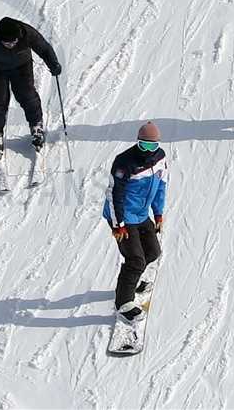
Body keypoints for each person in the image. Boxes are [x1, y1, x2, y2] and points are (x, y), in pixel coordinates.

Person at [103, 121, 166, 324]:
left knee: (153, 252)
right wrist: (118, 223)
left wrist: (158, 213)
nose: (148, 151)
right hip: (123, 216)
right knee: (135, 259)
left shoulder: (160, 158)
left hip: (141, 215)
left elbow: (160, 186)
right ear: (137, 143)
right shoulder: (125, 162)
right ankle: (123, 304)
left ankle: (130, 281)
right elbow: (115, 194)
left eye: (152, 146)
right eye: (143, 146)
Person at [0, 17, 61, 151]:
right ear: (0, 37)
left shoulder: (28, 34)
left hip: (21, 65)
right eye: (6, 42)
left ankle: (36, 125)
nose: (11, 45)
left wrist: (53, 63)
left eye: (14, 41)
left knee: (27, 95)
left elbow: (44, 49)